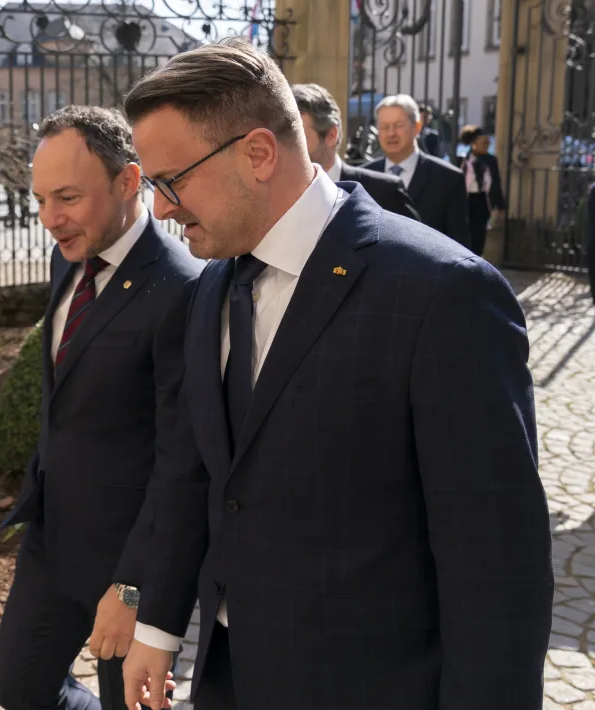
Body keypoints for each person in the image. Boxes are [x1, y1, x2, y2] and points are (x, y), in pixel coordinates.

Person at [120, 38, 552, 710]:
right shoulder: (209, 291)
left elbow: (495, 566)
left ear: (258, 154)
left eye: (170, 182)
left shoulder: (442, 294)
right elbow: (193, 471)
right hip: (230, 677)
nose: (162, 209)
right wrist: (157, 622)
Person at [0, 105, 202, 710]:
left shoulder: (181, 291)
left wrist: (133, 586)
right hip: (52, 537)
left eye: (67, 198)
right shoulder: (70, 252)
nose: (49, 219)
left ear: (129, 181)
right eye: (39, 199)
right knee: (19, 686)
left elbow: (180, 460)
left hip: (126, 562)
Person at [291, 83, 420, 221]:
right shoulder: (276, 193)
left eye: (297, 137)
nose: (288, 147)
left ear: (331, 136)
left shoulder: (384, 192)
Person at [361, 94, 470, 247]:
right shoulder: (363, 177)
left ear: (417, 127)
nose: (391, 133)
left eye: (398, 125)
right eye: (384, 127)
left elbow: (459, 245)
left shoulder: (448, 179)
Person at [459, 125, 507, 257]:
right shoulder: (464, 159)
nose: (487, 145)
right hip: (466, 200)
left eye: (488, 142)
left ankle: (476, 258)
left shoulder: (490, 161)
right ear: (474, 143)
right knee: (465, 232)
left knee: (479, 234)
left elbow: (496, 183)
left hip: (482, 200)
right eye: (484, 142)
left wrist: (500, 204)